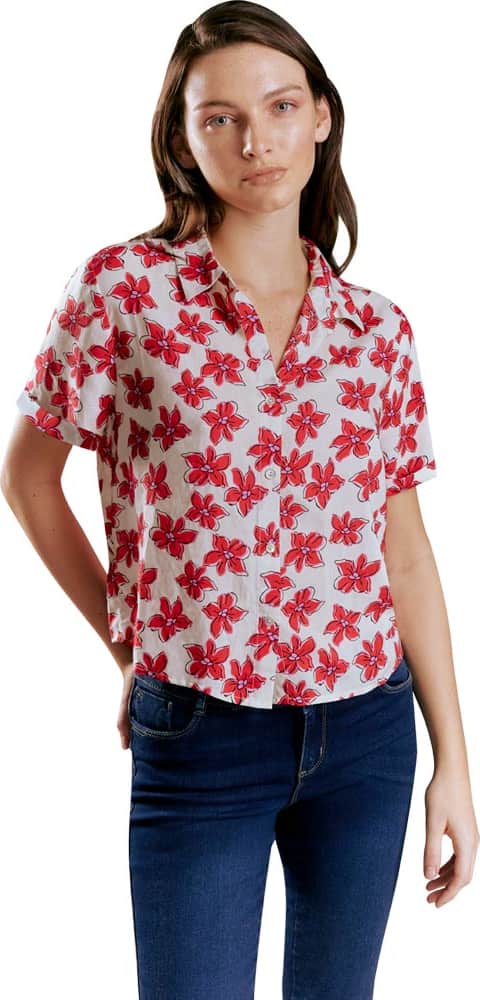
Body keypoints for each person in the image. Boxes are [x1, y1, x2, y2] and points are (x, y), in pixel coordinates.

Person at [1, 2, 478, 998]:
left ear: (323, 117)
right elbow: (28, 477)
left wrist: (454, 759)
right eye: (219, 118)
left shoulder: (377, 332)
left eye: (280, 106)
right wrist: (129, 644)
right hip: (199, 731)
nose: (256, 141)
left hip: (368, 735)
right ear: (182, 139)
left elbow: (404, 548)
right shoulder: (122, 294)